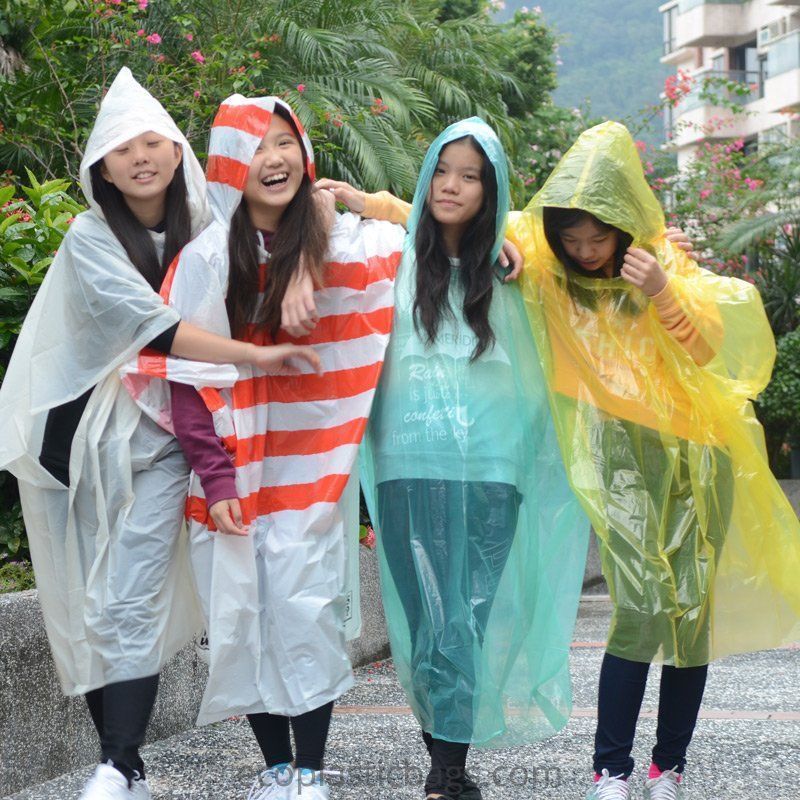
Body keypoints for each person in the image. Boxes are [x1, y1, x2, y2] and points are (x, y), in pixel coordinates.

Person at [0, 69, 318, 800]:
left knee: (192, 593)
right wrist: (256, 356)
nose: (139, 156)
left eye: (153, 141)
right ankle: (126, 767)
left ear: (178, 151)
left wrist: (346, 203)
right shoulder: (89, 237)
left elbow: (289, 218)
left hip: (190, 431)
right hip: (91, 441)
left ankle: (140, 765)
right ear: (100, 169)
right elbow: (164, 332)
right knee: (101, 602)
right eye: (120, 149)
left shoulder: (211, 218)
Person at [123, 94, 406, 800]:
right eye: (255, 146)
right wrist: (216, 480)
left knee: (306, 615)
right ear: (226, 165)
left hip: (311, 473)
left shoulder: (341, 241)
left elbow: (432, 236)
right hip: (230, 478)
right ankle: (274, 769)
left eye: (285, 141)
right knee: (240, 616)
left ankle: (309, 771)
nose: (273, 158)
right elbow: (180, 377)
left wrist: (368, 203)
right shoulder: (205, 257)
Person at [511, 120, 800, 800]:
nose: (584, 250)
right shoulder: (549, 270)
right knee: (639, 608)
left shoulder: (669, 265)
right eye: (572, 237)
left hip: (701, 458)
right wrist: (375, 206)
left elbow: (708, 351)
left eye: (597, 235)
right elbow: (463, 221)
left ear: (625, 225)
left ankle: (667, 768)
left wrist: (663, 290)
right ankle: (609, 771)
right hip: (618, 458)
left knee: (689, 616)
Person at [318, 117, 590, 800]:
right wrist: (369, 202)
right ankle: (446, 764)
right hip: (410, 463)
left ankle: (446, 772)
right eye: (443, 169)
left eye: (471, 176)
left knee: (462, 617)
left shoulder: (513, 263)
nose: (452, 185)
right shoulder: (393, 257)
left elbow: (588, 248)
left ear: (490, 191)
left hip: (493, 473)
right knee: (427, 622)